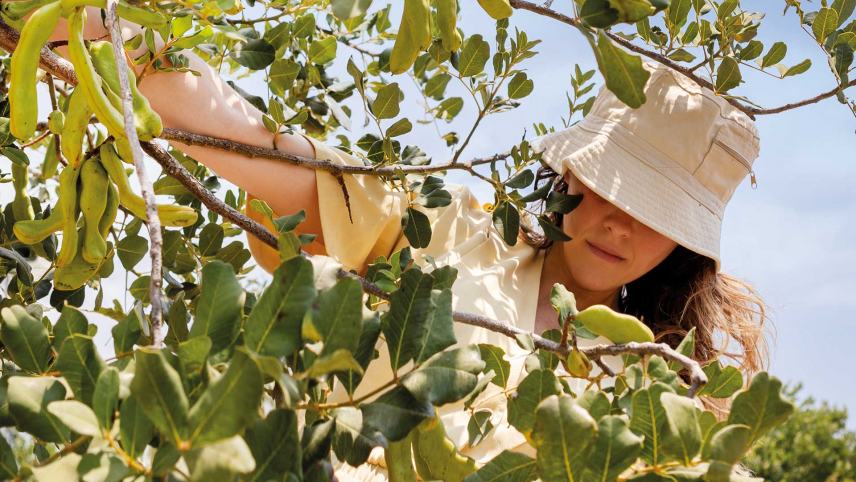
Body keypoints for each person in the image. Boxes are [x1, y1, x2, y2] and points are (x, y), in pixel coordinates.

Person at [48, 10, 770, 481]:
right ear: (570, 167)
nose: (618, 223)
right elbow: (262, 148)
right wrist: (106, 39)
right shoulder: (450, 227)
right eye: (609, 186)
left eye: (654, 214)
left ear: (687, 243)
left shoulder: (663, 408)